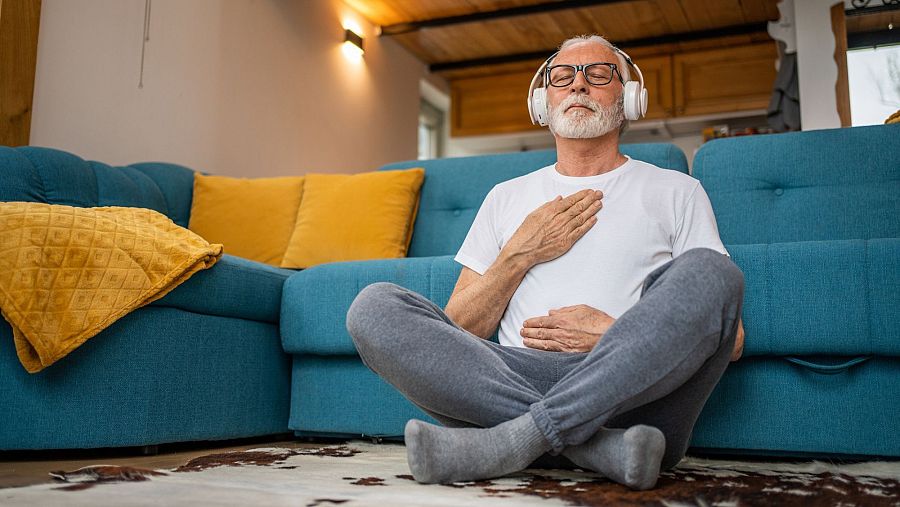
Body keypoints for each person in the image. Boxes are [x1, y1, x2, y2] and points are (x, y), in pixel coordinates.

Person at [346, 34, 745, 491]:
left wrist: (612, 335)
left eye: (598, 74)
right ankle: (596, 448)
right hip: (512, 376)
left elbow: (729, 339)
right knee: (373, 307)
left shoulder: (677, 191)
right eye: (562, 76)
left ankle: (511, 443)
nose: (578, 86)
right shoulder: (505, 198)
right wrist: (521, 252)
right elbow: (460, 327)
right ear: (543, 102)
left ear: (630, 98)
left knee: (714, 274)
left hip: (633, 390)